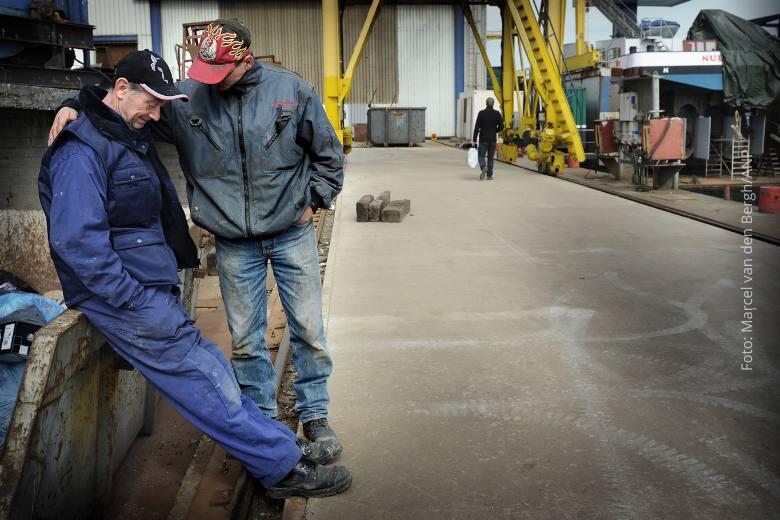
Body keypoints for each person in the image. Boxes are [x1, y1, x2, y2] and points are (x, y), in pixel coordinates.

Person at [39, 50, 350, 499]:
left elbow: (327, 154)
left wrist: (315, 198)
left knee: (217, 369)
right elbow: (77, 243)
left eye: (163, 104)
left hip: (153, 285)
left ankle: (285, 443)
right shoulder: (83, 149)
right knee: (205, 379)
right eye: (152, 102)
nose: (159, 114)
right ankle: (282, 468)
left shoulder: (122, 130)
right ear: (122, 89)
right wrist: (131, 298)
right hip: (129, 296)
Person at [472, 97, 504, 180]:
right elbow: (502, 126)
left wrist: (474, 140)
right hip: (492, 140)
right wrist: (495, 131)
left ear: (486, 103)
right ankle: (489, 175)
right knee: (490, 158)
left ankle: (483, 167)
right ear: (493, 104)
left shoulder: (481, 113)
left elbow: (476, 127)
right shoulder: (497, 113)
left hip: (483, 139)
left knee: (481, 156)